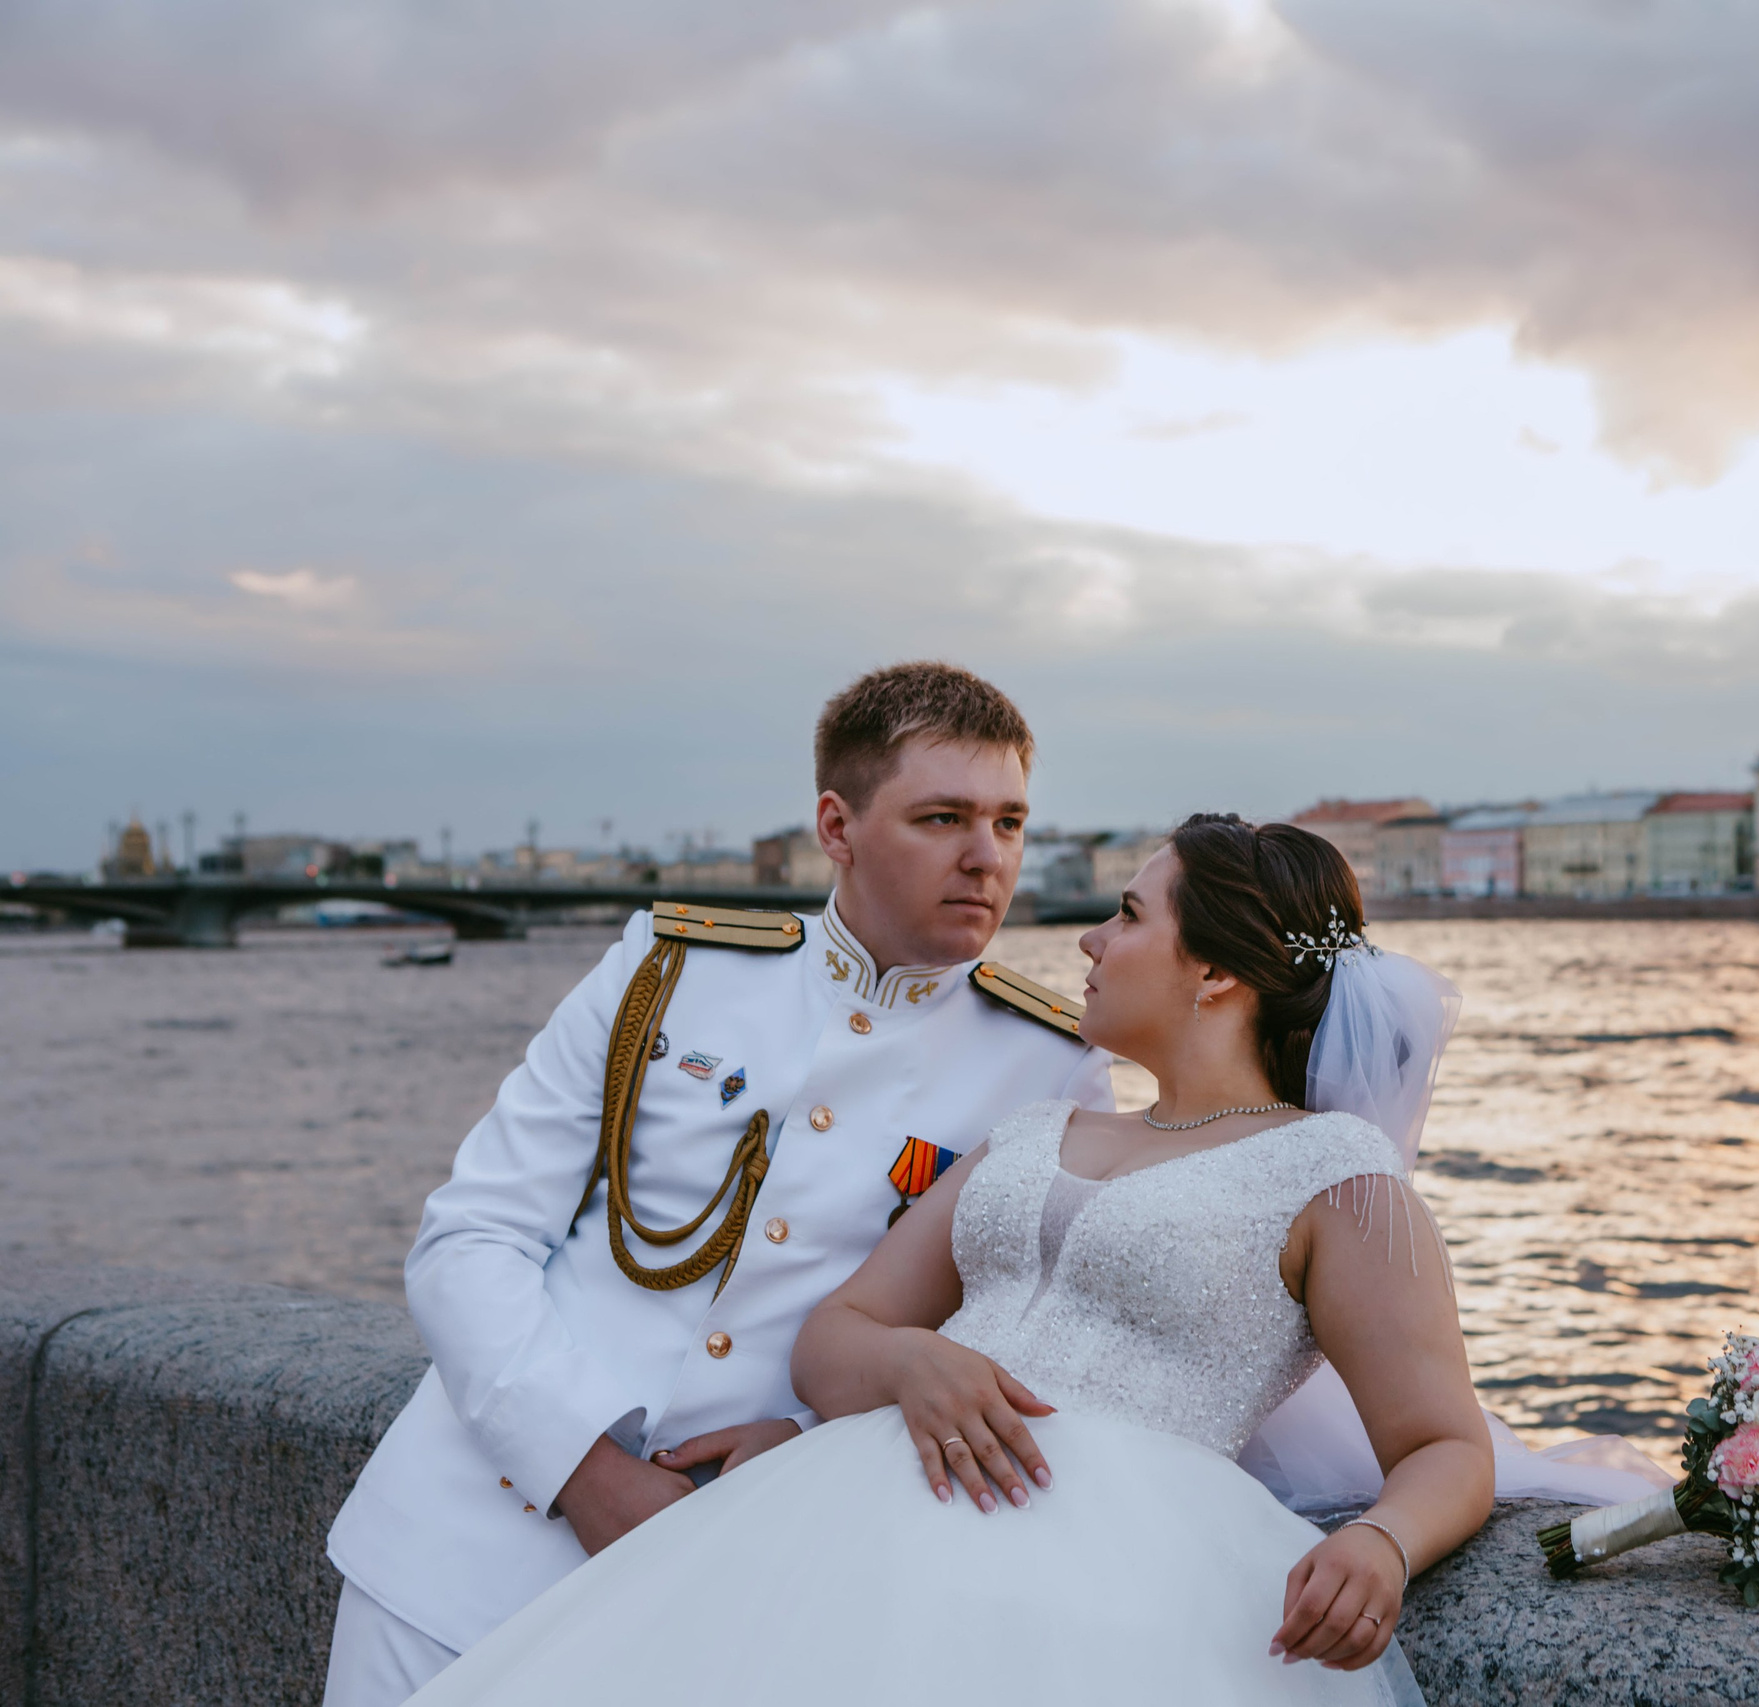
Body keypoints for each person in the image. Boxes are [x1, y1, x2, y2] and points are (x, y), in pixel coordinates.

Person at [409, 818, 1498, 1705]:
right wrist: (910, 1368)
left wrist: (1383, 1546)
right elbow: (835, 1338)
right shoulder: (1032, 1135)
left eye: (1127, 916)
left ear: (1212, 971)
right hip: (848, 1533)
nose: (1088, 943)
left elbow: (1442, 1440)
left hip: (1108, 1598)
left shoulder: (1334, 1175)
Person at [321, 663, 1115, 1707]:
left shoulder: (1052, 1067)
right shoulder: (667, 971)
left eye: (1010, 823)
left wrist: (825, 1437)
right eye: (942, 817)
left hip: (737, 1578)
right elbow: (470, 1239)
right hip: (460, 1555)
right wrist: (586, 1474)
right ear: (837, 826)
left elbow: (1026, 1357)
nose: (986, 857)